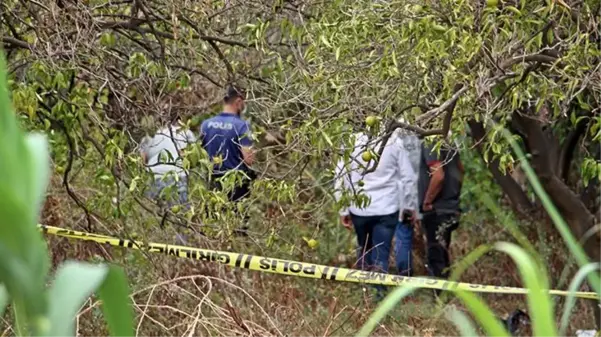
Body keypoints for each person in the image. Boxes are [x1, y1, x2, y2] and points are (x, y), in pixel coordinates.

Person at [334, 125, 416, 300]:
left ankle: (365, 293)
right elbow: (408, 176)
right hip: (387, 208)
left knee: (364, 248)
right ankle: (378, 295)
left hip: (359, 209)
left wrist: (343, 209)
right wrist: (408, 206)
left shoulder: (349, 142)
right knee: (381, 253)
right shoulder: (393, 141)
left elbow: (340, 175)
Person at [200, 86, 255, 232]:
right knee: (237, 227)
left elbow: (199, 154)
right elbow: (248, 159)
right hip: (237, 183)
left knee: (213, 225)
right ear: (238, 102)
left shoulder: (206, 125)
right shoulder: (242, 126)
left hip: (213, 181)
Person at [139, 115, 196, 243]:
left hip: (153, 176)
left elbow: (142, 158)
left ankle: (152, 244)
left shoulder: (151, 135)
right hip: (177, 176)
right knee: (180, 217)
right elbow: (191, 157)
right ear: (180, 121)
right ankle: (180, 248)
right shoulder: (186, 133)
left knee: (153, 214)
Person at [418, 138, 464, 280]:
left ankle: (440, 297)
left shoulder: (429, 143)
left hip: (436, 209)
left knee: (435, 255)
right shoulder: (450, 143)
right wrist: (454, 194)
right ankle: (445, 292)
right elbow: (461, 170)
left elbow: (438, 175)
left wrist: (427, 201)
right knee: (442, 251)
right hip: (450, 207)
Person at [394, 125, 421, 277]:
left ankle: (373, 286)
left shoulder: (389, 139)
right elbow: (409, 177)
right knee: (403, 241)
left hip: (380, 203)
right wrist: (411, 206)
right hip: (403, 201)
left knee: (374, 242)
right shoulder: (413, 135)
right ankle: (404, 280)